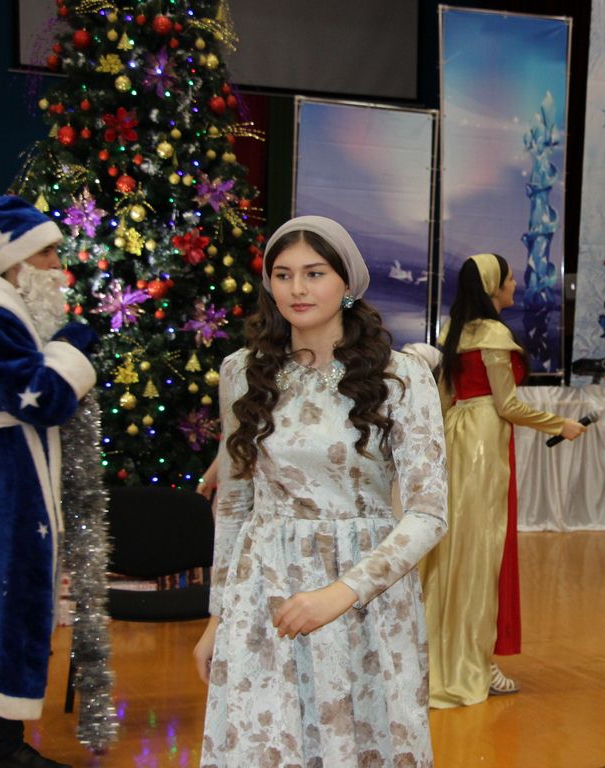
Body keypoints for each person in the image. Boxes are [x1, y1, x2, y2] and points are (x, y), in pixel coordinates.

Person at [192, 216, 448, 766]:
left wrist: (341, 592)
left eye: (314, 273)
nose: (297, 289)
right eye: (282, 275)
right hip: (263, 592)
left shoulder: (401, 376)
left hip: (365, 598)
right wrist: (218, 616)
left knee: (358, 742)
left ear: (346, 283)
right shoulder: (241, 372)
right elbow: (235, 502)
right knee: (267, 744)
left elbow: (429, 513)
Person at [0, 195, 98, 768]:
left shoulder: (3, 310)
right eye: (49, 254)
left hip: (6, 471)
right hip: (4, 481)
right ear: (19, 260)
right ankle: (4, 746)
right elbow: (42, 398)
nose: (59, 266)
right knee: (9, 598)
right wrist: (71, 348)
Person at [419, 253, 586, 708]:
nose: (515, 285)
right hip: (483, 445)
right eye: (510, 279)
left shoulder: (452, 332)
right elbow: (507, 404)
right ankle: (474, 658)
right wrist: (560, 424)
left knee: (454, 550)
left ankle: (444, 652)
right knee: (482, 551)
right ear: (494, 286)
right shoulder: (494, 335)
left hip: (456, 439)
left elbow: (443, 399)